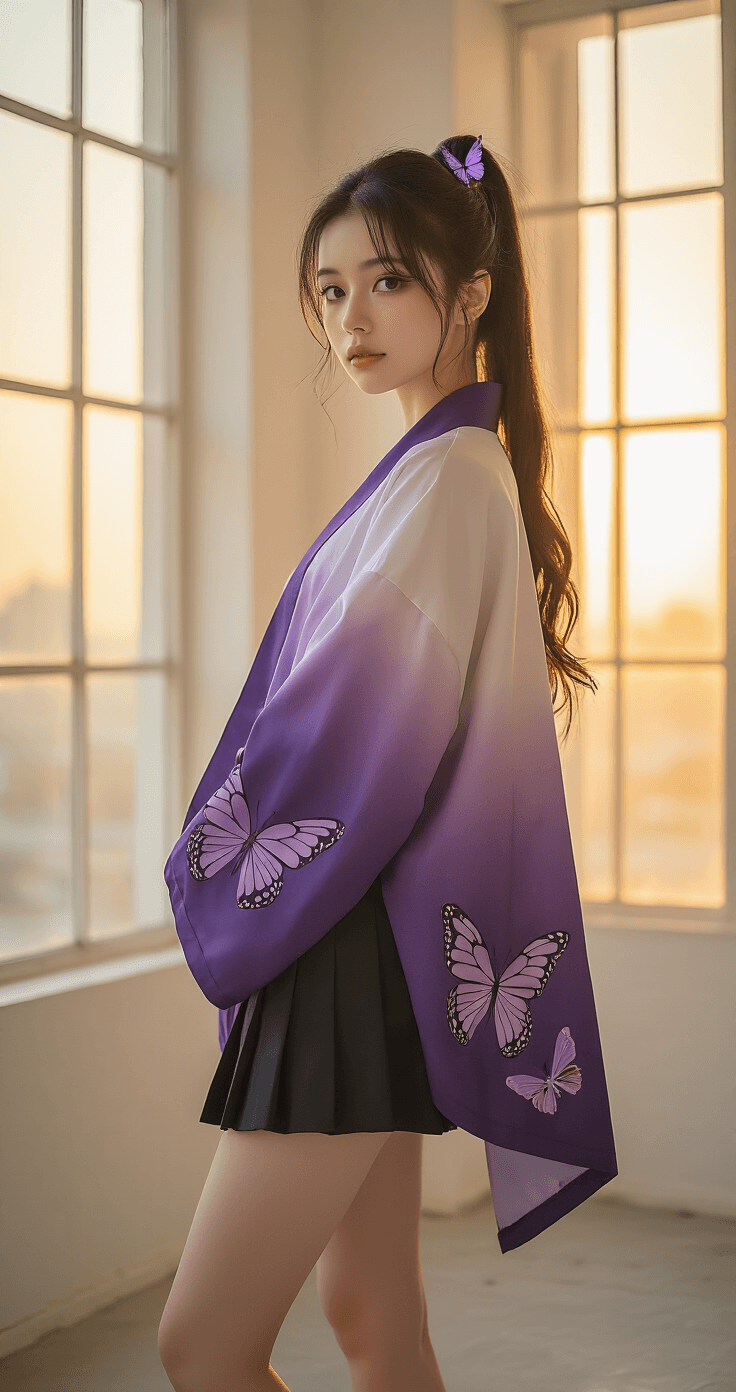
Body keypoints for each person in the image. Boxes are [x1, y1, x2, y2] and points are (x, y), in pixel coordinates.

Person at [158, 135, 617, 1392]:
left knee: (201, 1346)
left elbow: (361, 735)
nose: (350, 320)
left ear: (470, 294)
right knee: (373, 1316)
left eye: (388, 281)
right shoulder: (436, 471)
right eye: (330, 289)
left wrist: (212, 853)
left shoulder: (451, 479)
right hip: (366, 934)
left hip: (348, 943)